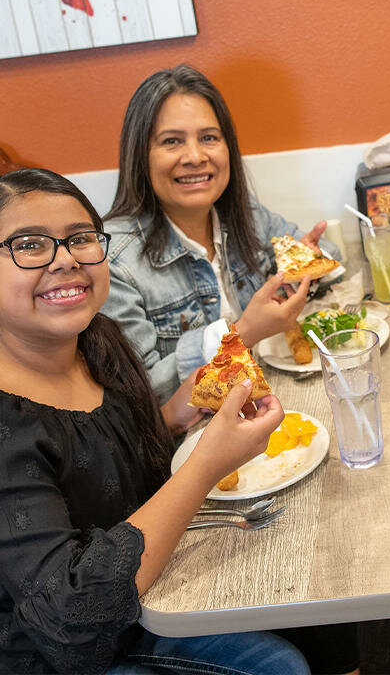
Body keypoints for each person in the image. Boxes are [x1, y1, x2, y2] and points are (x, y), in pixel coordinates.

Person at [0, 168, 309, 674]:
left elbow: (132, 448)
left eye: (80, 238)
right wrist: (207, 463)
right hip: (73, 651)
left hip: (158, 584)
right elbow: (71, 615)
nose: (66, 260)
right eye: (30, 245)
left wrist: (190, 405)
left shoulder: (98, 340)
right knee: (278, 666)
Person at [102, 64, 340, 404]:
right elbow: (141, 395)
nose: (196, 157)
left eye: (209, 138)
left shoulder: (245, 215)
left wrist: (304, 267)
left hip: (272, 402)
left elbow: (330, 254)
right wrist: (242, 333)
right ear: (140, 156)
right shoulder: (112, 260)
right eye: (172, 141)